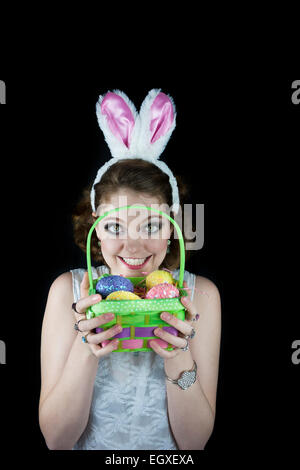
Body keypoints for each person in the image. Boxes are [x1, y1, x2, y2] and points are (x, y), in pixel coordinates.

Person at [38, 89, 221, 450]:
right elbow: (56, 441)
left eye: (151, 226)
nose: (133, 247)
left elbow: (194, 445)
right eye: (115, 227)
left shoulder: (201, 295)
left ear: (172, 227)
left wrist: (178, 353)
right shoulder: (68, 292)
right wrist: (87, 347)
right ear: (95, 227)